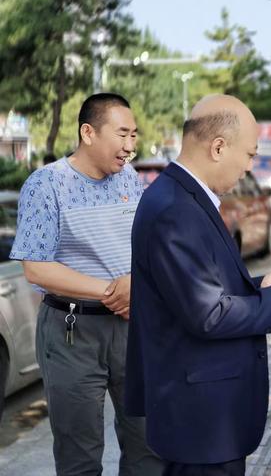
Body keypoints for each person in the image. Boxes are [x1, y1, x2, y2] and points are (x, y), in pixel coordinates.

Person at [125, 94, 271, 475]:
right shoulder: (175, 208)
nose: (249, 168)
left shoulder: (184, 197)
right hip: (202, 419)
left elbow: (203, 287)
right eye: (249, 155)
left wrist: (264, 284)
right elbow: (208, 313)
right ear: (218, 147)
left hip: (206, 413)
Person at [9, 93, 162, 475]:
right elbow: (37, 269)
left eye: (134, 136)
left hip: (132, 328)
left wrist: (136, 286)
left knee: (148, 443)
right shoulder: (47, 185)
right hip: (72, 332)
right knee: (80, 452)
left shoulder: (129, 179)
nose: (130, 147)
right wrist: (115, 291)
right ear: (88, 132)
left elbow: (145, 247)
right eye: (122, 134)